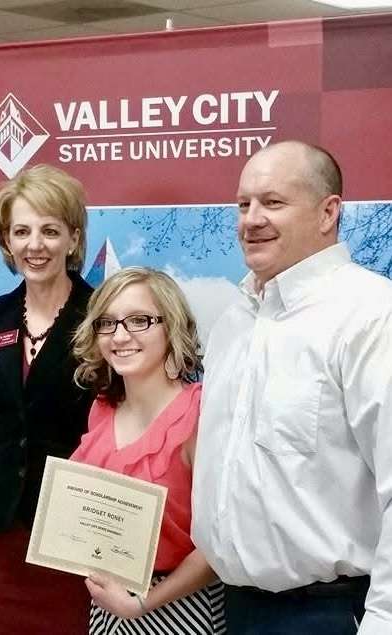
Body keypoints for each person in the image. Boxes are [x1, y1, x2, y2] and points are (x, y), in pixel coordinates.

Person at [192, 140, 392, 634]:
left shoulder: (370, 315)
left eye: (273, 202)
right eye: (243, 204)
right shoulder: (234, 322)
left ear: (329, 212)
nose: (251, 219)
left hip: (331, 614)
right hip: (234, 610)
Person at [0, 164, 95, 635]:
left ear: (73, 237)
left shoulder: (100, 315)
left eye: (49, 231)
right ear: (6, 241)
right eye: (21, 232)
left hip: (71, 531)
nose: (34, 245)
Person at [70, 267, 225, 634]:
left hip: (182, 609)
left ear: (170, 326)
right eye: (107, 323)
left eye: (139, 320)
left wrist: (142, 604)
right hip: (109, 608)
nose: (120, 336)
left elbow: (219, 544)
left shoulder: (200, 414)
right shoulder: (101, 410)